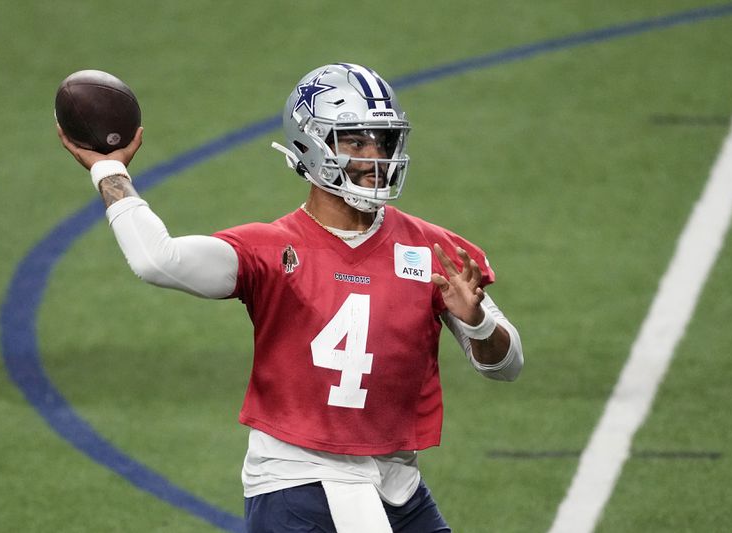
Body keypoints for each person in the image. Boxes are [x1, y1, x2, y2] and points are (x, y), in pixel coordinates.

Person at [59, 62, 523, 533]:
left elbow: (506, 366)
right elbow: (157, 260)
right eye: (355, 141)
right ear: (310, 143)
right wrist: (109, 170)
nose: (374, 157)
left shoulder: (434, 251)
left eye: (382, 140)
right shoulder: (269, 249)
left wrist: (479, 321)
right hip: (298, 481)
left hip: (397, 485)